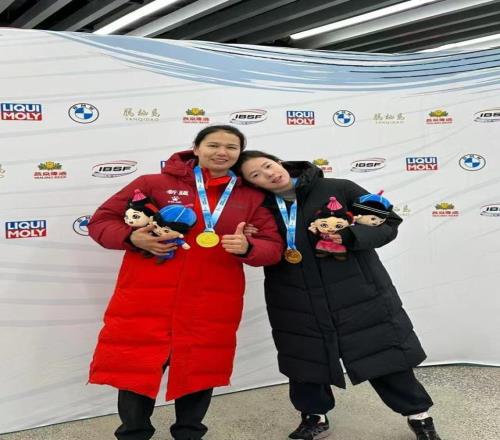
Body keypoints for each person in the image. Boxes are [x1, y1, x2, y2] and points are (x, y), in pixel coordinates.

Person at [87, 127, 283, 440]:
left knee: (199, 369)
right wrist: (132, 237)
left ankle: (189, 434)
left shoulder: (251, 196)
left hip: (212, 298)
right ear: (196, 147)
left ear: (239, 153)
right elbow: (101, 221)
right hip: (146, 295)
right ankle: (133, 433)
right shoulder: (152, 183)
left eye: (231, 147)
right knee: (137, 368)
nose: (222, 152)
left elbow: (273, 246)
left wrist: (249, 247)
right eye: (213, 145)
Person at [236, 151, 442, 440]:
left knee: (382, 353)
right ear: (251, 184)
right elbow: (265, 247)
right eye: (256, 175)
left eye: (268, 166)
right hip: (293, 294)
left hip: (358, 289)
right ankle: (314, 416)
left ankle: (419, 415)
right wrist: (251, 239)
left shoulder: (338, 188)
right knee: (306, 358)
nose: (268, 174)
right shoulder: (259, 207)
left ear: (280, 163)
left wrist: (351, 236)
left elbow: (387, 221)